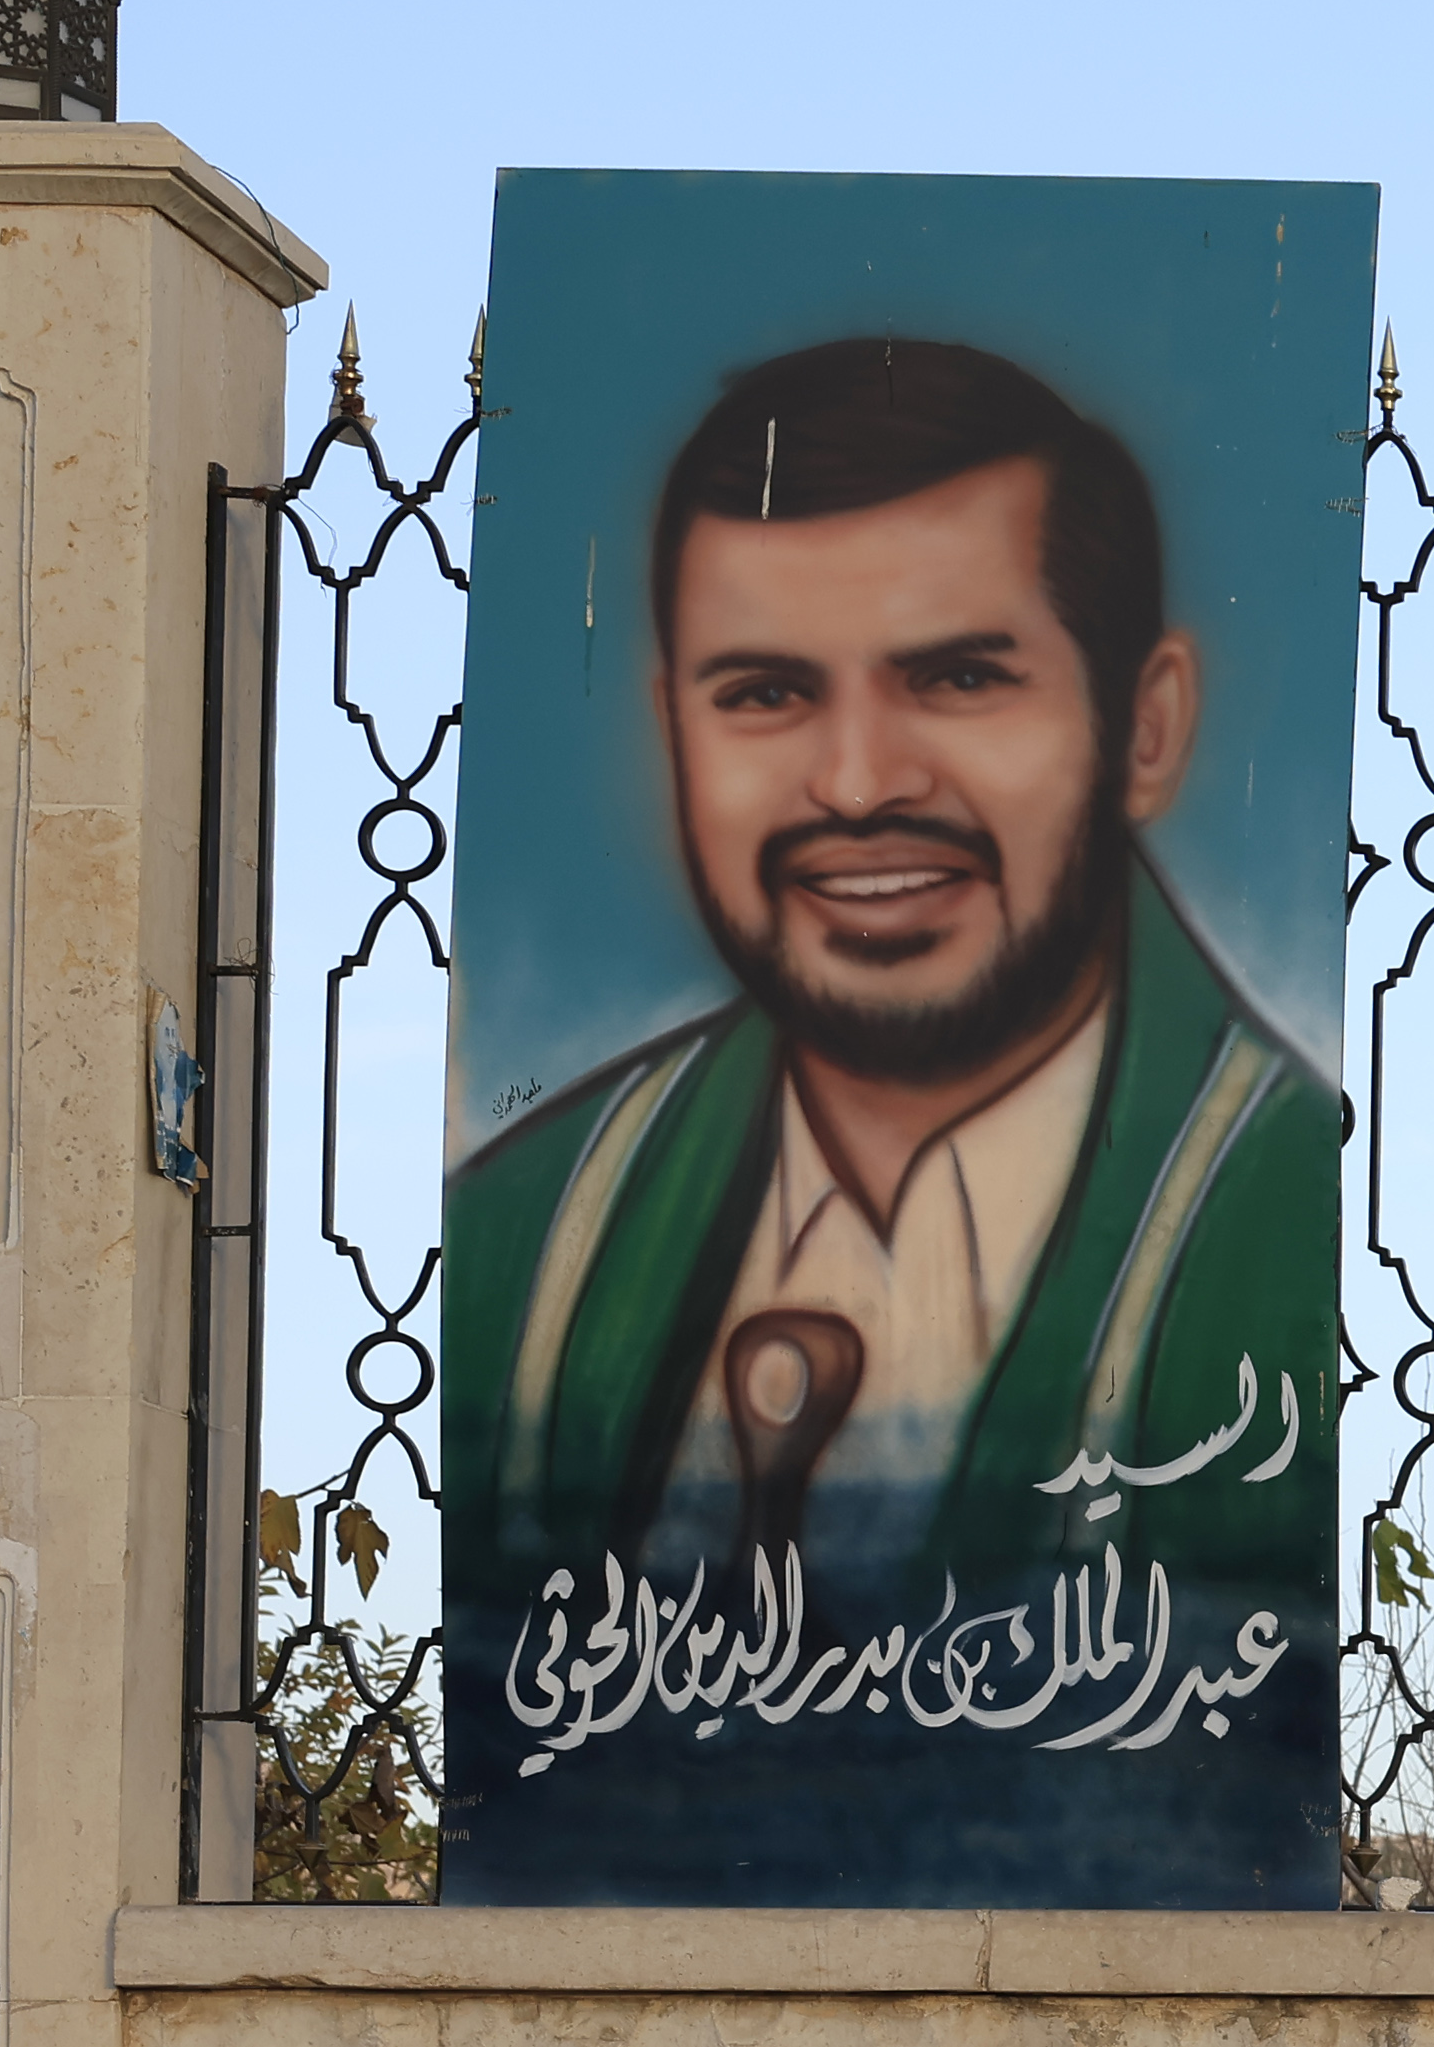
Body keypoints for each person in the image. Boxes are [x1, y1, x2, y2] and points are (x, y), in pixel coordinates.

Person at [445, 336, 1334, 1624]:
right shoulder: (530, 1233)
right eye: (764, 693)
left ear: (1144, 726)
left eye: (961, 677)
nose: (859, 784)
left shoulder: (1274, 1209)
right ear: (673, 736)